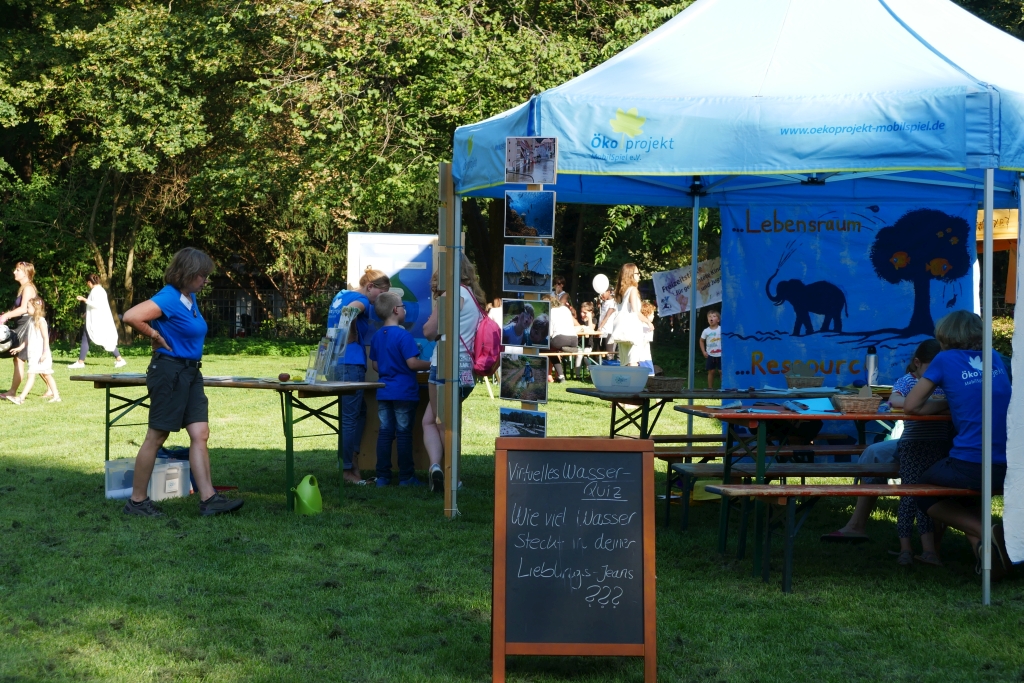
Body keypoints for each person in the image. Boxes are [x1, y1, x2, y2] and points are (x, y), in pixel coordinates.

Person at [120, 248, 243, 517]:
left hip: (190, 373)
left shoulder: (190, 297)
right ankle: (137, 502)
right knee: (157, 436)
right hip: (169, 372)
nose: (206, 280)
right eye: (202, 275)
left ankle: (209, 499)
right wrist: (153, 333)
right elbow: (131, 316)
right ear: (185, 274)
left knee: (200, 433)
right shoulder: (168, 297)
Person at [904, 310, 1013, 578]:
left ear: (946, 334)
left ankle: (985, 532)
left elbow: (911, 406)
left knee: (921, 491)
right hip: (1010, 466)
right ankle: (985, 553)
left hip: (971, 463)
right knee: (969, 494)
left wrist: (948, 401)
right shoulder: (995, 358)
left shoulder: (945, 359)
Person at [422, 254, 485, 493]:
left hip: (445, 366)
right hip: (466, 368)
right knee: (430, 420)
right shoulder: (474, 297)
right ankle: (435, 467)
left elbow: (429, 331)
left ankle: (452, 477)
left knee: (442, 424)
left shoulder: (451, 295)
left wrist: (432, 321)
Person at [327, 267, 391, 484]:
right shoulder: (360, 299)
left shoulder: (341, 295)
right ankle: (347, 470)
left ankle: (352, 463)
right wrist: (351, 333)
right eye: (381, 294)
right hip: (350, 364)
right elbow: (350, 311)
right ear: (370, 287)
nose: (380, 300)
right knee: (349, 419)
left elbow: (341, 313)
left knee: (358, 412)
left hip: (335, 363)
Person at [887, 340, 949, 565]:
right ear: (917, 363)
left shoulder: (945, 382)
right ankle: (905, 548)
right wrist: (933, 403)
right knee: (910, 497)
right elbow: (894, 400)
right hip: (914, 447)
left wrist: (926, 405)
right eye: (932, 367)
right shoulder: (908, 381)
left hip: (938, 447)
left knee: (930, 498)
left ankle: (929, 550)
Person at [370, 292, 432, 487]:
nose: (405, 309)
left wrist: (390, 367)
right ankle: (406, 477)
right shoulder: (404, 335)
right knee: (404, 434)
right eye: (403, 306)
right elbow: (412, 363)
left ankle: (382, 477)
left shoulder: (378, 336)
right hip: (404, 392)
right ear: (396, 310)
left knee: (385, 433)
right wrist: (432, 363)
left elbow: (375, 365)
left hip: (384, 391)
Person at [7, 297, 60, 403]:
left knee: (44, 375)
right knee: (41, 375)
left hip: (40, 354)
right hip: (33, 354)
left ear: (35, 309)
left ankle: (21, 398)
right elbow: (28, 337)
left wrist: (44, 353)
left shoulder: (41, 321)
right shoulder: (31, 320)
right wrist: (20, 347)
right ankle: (56, 396)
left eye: (28, 307)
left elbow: (46, 337)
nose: (26, 309)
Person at [68, 274, 126, 369]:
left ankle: (80, 362)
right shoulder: (98, 290)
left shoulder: (97, 291)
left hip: (97, 321)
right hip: (96, 320)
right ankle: (119, 359)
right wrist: (87, 314)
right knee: (98, 339)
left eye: (87, 283)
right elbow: (96, 306)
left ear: (89, 282)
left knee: (96, 338)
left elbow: (97, 305)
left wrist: (84, 299)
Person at [0, 262, 38, 399]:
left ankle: (12, 392)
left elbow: (23, 309)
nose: (14, 272)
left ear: (26, 273)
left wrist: (6, 315)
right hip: (22, 324)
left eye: (18, 270)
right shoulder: (24, 288)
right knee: (24, 359)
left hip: (27, 325)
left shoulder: (28, 288)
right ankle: (52, 390)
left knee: (20, 359)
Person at [609, 263, 646, 366]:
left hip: (622, 331)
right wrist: (648, 322)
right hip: (632, 331)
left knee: (625, 362)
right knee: (633, 361)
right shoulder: (633, 290)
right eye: (637, 273)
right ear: (631, 275)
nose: (639, 275)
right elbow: (636, 312)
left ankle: (625, 382)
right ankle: (634, 382)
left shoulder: (621, 292)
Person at [546, 294, 578, 383]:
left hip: (560, 339)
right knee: (552, 349)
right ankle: (560, 375)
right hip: (574, 339)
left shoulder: (551, 311)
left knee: (547, 349)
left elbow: (551, 333)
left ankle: (559, 375)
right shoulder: (566, 309)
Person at [700, 309, 722, 388]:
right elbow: (701, 341)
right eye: (709, 316)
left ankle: (723, 388)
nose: (711, 318)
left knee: (721, 371)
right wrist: (704, 351)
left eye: (714, 316)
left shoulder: (722, 329)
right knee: (711, 371)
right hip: (710, 354)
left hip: (721, 354)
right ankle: (710, 389)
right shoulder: (706, 331)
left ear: (718, 320)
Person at [596, 289, 617, 360]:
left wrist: (600, 327)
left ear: (608, 292)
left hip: (608, 330)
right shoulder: (604, 302)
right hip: (602, 330)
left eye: (602, 293)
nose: (601, 295)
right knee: (598, 353)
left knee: (609, 354)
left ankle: (610, 369)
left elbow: (607, 316)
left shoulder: (613, 302)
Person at [638, 300, 656, 376]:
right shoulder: (650, 327)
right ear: (646, 315)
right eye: (652, 314)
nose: (654, 316)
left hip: (636, 357)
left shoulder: (638, 325)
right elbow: (645, 341)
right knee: (651, 377)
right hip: (645, 357)